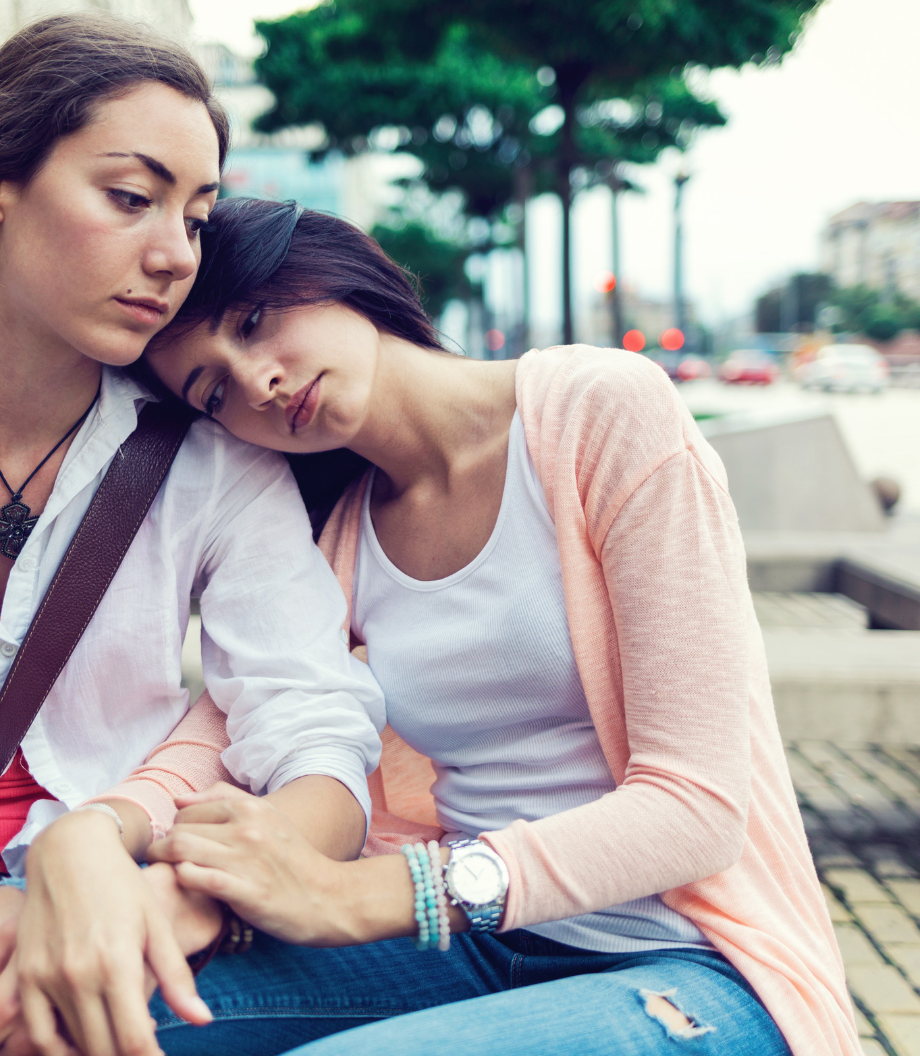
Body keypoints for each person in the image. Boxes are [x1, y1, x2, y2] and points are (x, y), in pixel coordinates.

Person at [119, 196, 860, 1056]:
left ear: (333, 270)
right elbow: (228, 721)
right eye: (214, 392)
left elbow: (696, 808)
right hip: (469, 948)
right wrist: (108, 830)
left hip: (691, 963)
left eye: (251, 323)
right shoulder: (341, 537)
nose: (257, 383)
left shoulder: (599, 411)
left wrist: (368, 896)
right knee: (90, 1014)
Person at [0, 24, 385, 1056]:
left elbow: (314, 726)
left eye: (197, 214)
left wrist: (181, 897)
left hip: (134, 901)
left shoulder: (213, 463)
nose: (176, 254)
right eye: (132, 199)